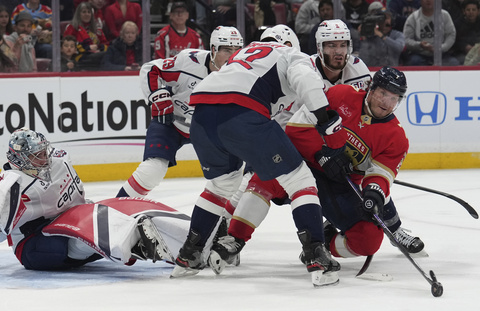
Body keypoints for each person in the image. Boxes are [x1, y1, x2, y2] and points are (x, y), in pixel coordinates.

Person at [171, 24, 342, 285]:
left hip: (202, 113)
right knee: (300, 181)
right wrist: (324, 115)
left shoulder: (245, 52)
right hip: (241, 111)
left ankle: (189, 255)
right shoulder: (292, 55)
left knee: (220, 185)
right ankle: (317, 256)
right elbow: (304, 78)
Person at [0, 128, 191, 271]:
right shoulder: (11, 187)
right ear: (19, 159)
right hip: (34, 244)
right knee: (74, 240)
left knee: (121, 211)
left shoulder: (58, 159)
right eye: (36, 156)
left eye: (43, 151)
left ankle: (191, 238)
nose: (44, 158)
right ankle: (136, 245)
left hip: (73, 218)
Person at [284, 67, 425, 261]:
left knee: (375, 199)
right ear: (371, 89)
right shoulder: (340, 95)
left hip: (342, 184)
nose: (387, 102)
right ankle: (233, 235)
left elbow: (380, 173)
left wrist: (374, 192)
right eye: (383, 93)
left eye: (394, 98)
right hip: (308, 168)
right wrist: (322, 155)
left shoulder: (396, 137)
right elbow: (296, 129)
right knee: (264, 177)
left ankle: (326, 244)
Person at [116, 26, 243, 198]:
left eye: (237, 50)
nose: (233, 56)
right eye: (227, 50)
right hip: (172, 122)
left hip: (208, 132)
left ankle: (221, 220)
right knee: (152, 170)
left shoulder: (243, 73)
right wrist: (156, 96)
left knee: (230, 178)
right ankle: (118, 209)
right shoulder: (189, 62)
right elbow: (151, 69)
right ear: (213, 49)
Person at [403, 0, 459, 66]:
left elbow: (451, 35)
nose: (428, 1)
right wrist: (419, 45)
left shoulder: (445, 15)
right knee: (413, 62)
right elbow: (406, 39)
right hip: (419, 54)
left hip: (442, 54)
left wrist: (440, 48)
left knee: (453, 63)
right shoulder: (413, 18)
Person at [64, 1, 109, 71]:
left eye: (89, 12)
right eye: (84, 12)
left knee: (111, 53)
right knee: (105, 56)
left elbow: (105, 44)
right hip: (80, 57)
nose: (87, 14)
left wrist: (99, 48)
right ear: (78, 14)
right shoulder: (72, 28)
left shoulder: (97, 29)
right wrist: (87, 48)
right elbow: (67, 46)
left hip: (97, 54)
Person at [452, 0, 480, 64]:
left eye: (473, 10)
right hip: (461, 54)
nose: (471, 12)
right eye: (468, 10)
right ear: (463, 11)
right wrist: (464, 46)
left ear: (478, 11)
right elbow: (454, 41)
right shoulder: (457, 24)